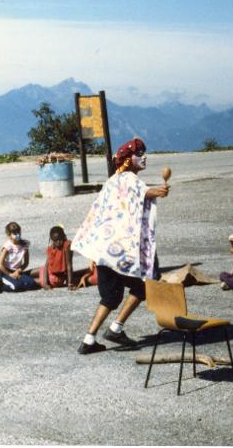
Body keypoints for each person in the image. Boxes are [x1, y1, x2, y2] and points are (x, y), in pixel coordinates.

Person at [72, 137, 170, 354]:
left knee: (110, 297)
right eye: (139, 154)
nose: (144, 157)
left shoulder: (111, 182)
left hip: (105, 251)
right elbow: (145, 192)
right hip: (123, 252)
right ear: (127, 160)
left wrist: (94, 249)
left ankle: (89, 339)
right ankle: (116, 328)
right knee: (145, 283)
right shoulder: (129, 179)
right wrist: (161, 190)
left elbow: (98, 213)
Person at [33, 226, 95, 290]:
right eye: (55, 240)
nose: (58, 242)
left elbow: (69, 265)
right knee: (42, 269)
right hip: (50, 273)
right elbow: (46, 265)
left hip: (55, 278)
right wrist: (45, 284)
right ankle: (24, 275)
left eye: (60, 239)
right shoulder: (51, 248)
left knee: (34, 280)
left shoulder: (66, 246)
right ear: (52, 240)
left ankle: (25, 279)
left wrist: (70, 283)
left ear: (63, 236)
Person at [0, 222, 36, 292]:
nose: (17, 235)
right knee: (17, 286)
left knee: (31, 284)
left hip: (17, 271)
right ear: (9, 235)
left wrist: (19, 270)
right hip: (6, 272)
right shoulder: (7, 246)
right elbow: (0, 265)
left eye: (18, 232)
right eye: (14, 233)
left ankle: (18, 281)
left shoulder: (24, 245)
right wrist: (10, 274)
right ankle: (1, 284)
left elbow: (26, 262)